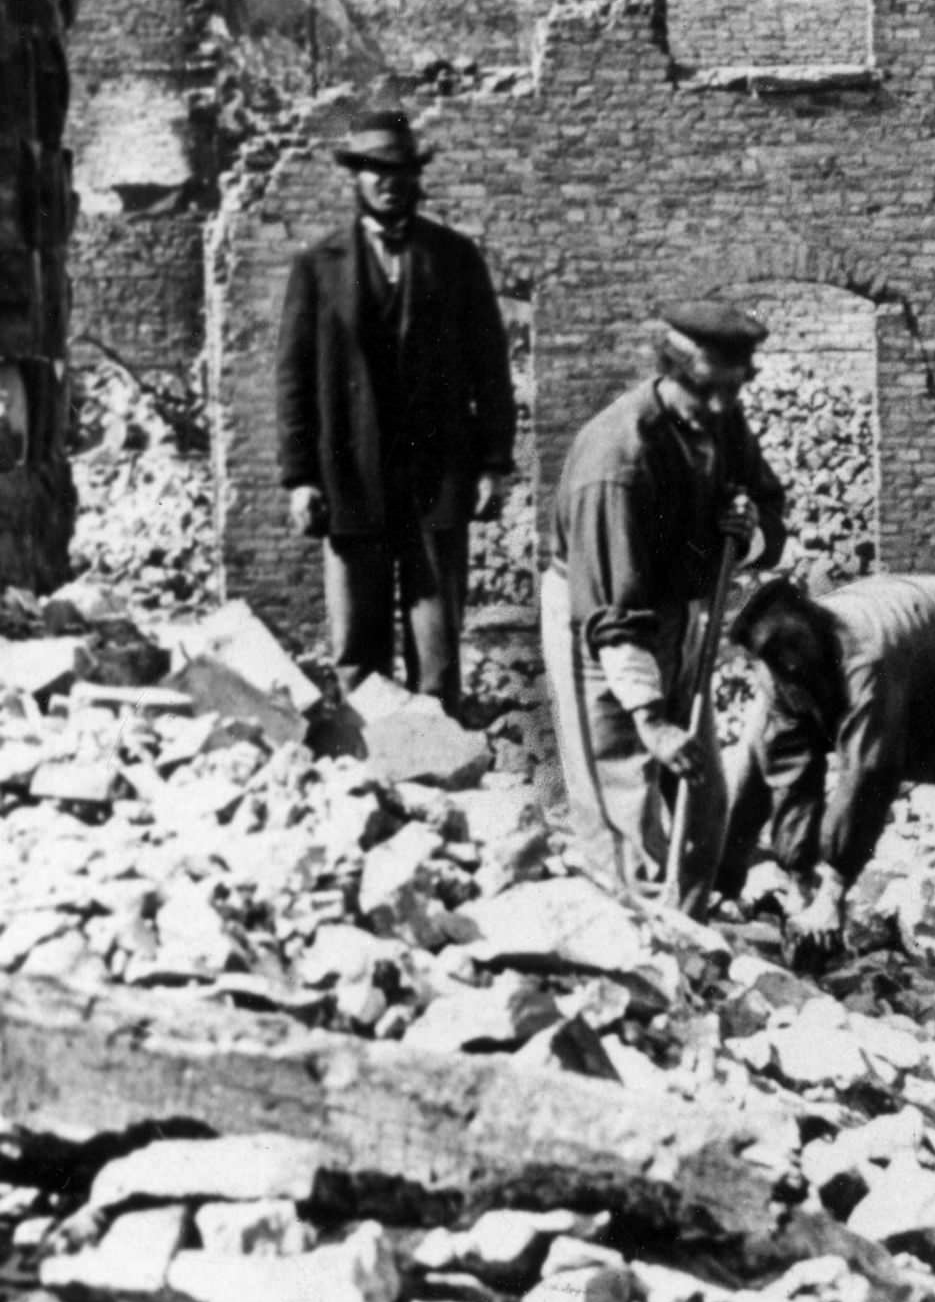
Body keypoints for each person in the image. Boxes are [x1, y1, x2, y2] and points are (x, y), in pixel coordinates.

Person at [542, 302, 786, 917]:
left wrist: (750, 532)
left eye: (736, 389)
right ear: (671, 372)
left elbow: (769, 506)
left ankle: (695, 933)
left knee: (702, 803)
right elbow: (613, 608)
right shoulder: (617, 459)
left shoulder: (719, 421)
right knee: (623, 798)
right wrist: (652, 720)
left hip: (678, 612)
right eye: (709, 390)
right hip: (598, 619)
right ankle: (638, 950)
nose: (724, 406)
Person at [276, 108, 515, 715]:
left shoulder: (456, 259)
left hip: (435, 472)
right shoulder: (317, 266)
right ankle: (371, 758)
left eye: (401, 170)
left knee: (436, 641)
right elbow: (294, 380)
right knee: (358, 638)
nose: (389, 181)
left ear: (417, 177)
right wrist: (300, 478)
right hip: (352, 474)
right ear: (354, 177)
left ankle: (439, 752)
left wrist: (493, 462)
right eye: (375, 170)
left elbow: (491, 367)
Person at [722, 572, 935, 1016]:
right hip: (919, 656)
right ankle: (720, 885)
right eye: (774, 663)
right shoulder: (781, 671)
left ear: (812, 637)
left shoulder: (867, 658)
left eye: (792, 658)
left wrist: (832, 893)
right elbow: (790, 775)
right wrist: (800, 883)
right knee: (760, 745)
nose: (784, 669)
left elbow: (868, 775)